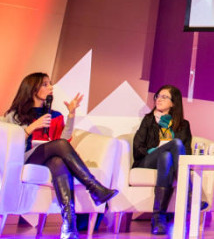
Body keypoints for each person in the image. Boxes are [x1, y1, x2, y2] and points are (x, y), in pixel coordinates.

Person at [2, 73, 118, 239]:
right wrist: (29, 128)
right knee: (60, 149)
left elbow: (63, 141)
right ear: (33, 89)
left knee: (58, 162)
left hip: (47, 157)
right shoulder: (14, 115)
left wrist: (71, 115)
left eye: (50, 84)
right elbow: (7, 145)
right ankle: (94, 188)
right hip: (23, 159)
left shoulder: (54, 115)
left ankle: (68, 225)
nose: (51, 88)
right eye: (45, 84)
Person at [132, 85, 193, 235]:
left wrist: (164, 151)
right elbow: (137, 146)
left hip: (168, 163)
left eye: (164, 97)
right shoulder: (148, 120)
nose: (159, 99)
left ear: (173, 103)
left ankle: (158, 218)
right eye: (158, 96)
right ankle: (190, 195)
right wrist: (154, 151)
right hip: (147, 160)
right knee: (175, 144)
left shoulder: (183, 125)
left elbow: (187, 152)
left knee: (166, 156)